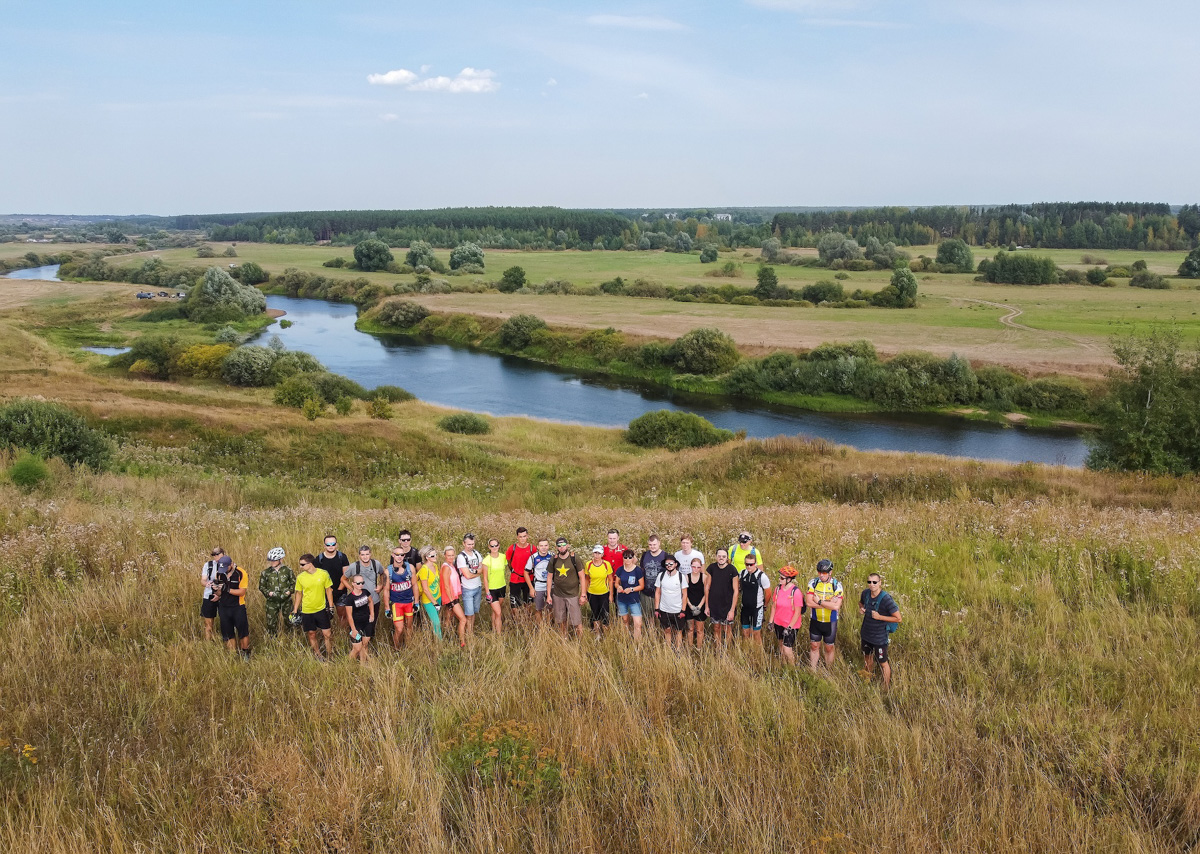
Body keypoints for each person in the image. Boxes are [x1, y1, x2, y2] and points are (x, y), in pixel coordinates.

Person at [859, 573, 901, 689]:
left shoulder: (886, 599)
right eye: (869, 582)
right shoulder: (865, 593)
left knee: (883, 662)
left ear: (880, 583)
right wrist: (861, 609)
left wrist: (879, 617)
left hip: (879, 638)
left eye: (874, 582)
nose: (872, 585)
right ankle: (867, 679)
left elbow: (898, 618)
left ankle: (885, 688)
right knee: (867, 657)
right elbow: (861, 602)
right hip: (866, 634)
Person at [292, 553, 335, 660]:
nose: (300, 567)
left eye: (302, 564)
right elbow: (298, 593)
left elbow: (328, 590)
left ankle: (330, 655)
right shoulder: (300, 577)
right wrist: (295, 609)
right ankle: (318, 655)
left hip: (321, 609)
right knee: (311, 634)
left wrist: (331, 607)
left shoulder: (323, 574)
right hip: (307, 610)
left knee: (327, 634)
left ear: (310, 564)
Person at [806, 559, 844, 670]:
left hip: (830, 621)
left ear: (830, 572)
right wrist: (829, 604)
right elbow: (809, 602)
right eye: (819, 572)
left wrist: (818, 602)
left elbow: (836, 607)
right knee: (814, 646)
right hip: (816, 620)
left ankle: (829, 671)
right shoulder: (813, 583)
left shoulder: (837, 585)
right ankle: (813, 671)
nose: (821, 575)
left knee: (829, 648)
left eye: (824, 573)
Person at [211, 554, 251, 659]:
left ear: (231, 564)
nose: (223, 570)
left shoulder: (241, 573)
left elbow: (242, 592)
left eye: (226, 568)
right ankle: (232, 655)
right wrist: (216, 590)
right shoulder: (219, 573)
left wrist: (227, 589)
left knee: (243, 631)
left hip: (238, 606)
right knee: (227, 633)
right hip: (224, 607)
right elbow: (219, 594)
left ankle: (245, 653)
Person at [547, 537, 585, 637]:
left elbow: (582, 576)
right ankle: (563, 639)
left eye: (563, 545)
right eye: (559, 546)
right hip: (558, 594)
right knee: (560, 620)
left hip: (572, 594)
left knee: (576, 621)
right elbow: (549, 577)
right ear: (556, 547)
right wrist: (548, 596)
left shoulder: (574, 558)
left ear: (567, 545)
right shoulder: (554, 559)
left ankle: (580, 641)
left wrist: (583, 594)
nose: (562, 548)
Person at [770, 565, 805, 665]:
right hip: (778, 622)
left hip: (791, 625)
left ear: (789, 579)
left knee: (787, 649)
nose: (779, 579)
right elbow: (774, 606)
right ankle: (784, 667)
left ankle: (792, 669)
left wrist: (789, 627)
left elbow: (798, 612)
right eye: (779, 577)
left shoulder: (796, 592)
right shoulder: (777, 589)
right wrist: (770, 621)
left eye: (782, 578)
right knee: (781, 646)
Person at [313, 535, 350, 629]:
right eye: (328, 544)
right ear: (324, 545)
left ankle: (342, 635)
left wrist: (338, 591)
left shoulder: (342, 557)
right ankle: (327, 635)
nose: (331, 546)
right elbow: (317, 578)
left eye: (333, 544)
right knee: (324, 617)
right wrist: (327, 592)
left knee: (342, 616)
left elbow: (346, 576)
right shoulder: (319, 559)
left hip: (341, 592)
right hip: (324, 593)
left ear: (336, 545)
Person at [383, 545, 416, 649]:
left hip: (409, 602)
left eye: (402, 555)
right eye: (397, 555)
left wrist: (417, 603)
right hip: (396, 604)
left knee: (409, 627)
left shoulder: (410, 568)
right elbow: (386, 590)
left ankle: (409, 648)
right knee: (399, 629)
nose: (399, 557)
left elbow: (414, 585)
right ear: (393, 555)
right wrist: (387, 608)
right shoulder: (388, 571)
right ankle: (396, 649)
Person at [258, 547, 295, 636]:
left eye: (274, 560)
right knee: (271, 623)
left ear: (280, 559)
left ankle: (291, 637)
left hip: (286, 600)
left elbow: (294, 583)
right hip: (272, 601)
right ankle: (273, 639)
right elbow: (262, 587)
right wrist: (268, 593)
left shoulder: (288, 570)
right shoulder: (265, 572)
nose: (272, 562)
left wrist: (289, 592)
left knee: (290, 621)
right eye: (271, 560)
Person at [705, 549, 739, 645]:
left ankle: (727, 650)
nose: (721, 558)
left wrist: (732, 610)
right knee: (716, 628)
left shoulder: (732, 570)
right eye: (719, 556)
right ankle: (718, 648)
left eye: (724, 556)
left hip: (727, 605)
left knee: (727, 629)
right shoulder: (711, 568)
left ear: (727, 558)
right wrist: (707, 606)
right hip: (714, 605)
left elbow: (736, 591)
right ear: (716, 557)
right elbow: (707, 587)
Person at [654, 555, 688, 650]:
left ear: (675, 564)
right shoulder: (661, 576)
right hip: (664, 609)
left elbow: (684, 594)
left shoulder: (681, 577)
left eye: (671, 563)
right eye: (666, 564)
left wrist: (683, 610)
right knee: (667, 629)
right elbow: (657, 592)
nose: (668, 565)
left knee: (678, 630)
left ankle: (678, 650)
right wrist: (657, 608)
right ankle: (668, 649)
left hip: (677, 610)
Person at [455, 534, 484, 640]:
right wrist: (477, 572)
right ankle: (469, 635)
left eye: (472, 544)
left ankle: (470, 632)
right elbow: (467, 575)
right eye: (468, 544)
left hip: (478, 587)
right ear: (463, 543)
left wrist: (474, 572)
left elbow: (482, 569)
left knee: (474, 612)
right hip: (467, 589)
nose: (470, 546)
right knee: (469, 614)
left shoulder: (477, 554)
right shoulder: (461, 557)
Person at [342, 574, 375, 663]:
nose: (360, 585)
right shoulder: (349, 598)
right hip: (356, 624)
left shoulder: (365, 592)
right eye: (358, 583)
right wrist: (353, 629)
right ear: (353, 583)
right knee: (357, 647)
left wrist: (372, 614)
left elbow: (370, 601)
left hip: (367, 622)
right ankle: (348, 664)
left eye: (362, 583)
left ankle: (363, 664)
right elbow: (349, 615)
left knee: (365, 644)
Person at [738, 553, 772, 640]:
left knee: (756, 634)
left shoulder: (762, 576)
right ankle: (747, 651)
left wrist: (765, 605)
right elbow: (738, 587)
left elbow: (768, 593)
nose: (749, 567)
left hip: (757, 608)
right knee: (745, 633)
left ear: (755, 563)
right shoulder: (742, 573)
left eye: (751, 564)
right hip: (745, 608)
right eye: (747, 564)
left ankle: (758, 652)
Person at [639, 535, 670, 626]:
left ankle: (661, 635)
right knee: (649, 616)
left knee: (661, 616)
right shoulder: (645, 555)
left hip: (661, 592)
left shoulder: (665, 556)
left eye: (654, 544)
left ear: (659, 543)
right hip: (646, 592)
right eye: (650, 545)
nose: (652, 546)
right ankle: (652, 635)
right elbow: (642, 570)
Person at [613, 549, 644, 640]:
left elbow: (641, 586)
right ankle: (626, 638)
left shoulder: (637, 570)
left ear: (633, 558)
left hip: (634, 600)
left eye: (630, 557)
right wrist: (618, 587)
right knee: (625, 620)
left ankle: (637, 641)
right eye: (625, 557)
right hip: (622, 600)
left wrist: (631, 589)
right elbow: (616, 583)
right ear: (623, 558)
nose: (627, 559)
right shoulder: (620, 570)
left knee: (638, 623)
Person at [505, 527, 536, 616]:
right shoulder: (512, 548)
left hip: (529, 579)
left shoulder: (532, 548)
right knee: (515, 606)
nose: (522, 539)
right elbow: (509, 562)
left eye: (524, 536)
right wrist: (514, 571)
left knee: (528, 604)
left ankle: (527, 623)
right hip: (515, 579)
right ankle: (517, 624)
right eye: (520, 537)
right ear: (517, 537)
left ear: (527, 536)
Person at [440, 546, 466, 646]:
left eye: (452, 555)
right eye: (448, 555)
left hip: (453, 596)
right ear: (444, 556)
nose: (451, 557)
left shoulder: (451, 565)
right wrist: (451, 601)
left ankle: (447, 638)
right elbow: (446, 586)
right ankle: (462, 641)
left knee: (448, 619)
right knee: (463, 619)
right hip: (450, 598)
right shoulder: (446, 567)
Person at [583, 545, 613, 634]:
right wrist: (584, 593)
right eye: (595, 553)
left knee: (605, 614)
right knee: (595, 613)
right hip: (592, 593)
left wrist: (611, 595)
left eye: (599, 553)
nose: (597, 555)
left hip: (604, 593)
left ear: (602, 554)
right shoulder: (588, 564)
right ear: (593, 553)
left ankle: (606, 635)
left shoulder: (606, 564)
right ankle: (597, 634)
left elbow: (610, 580)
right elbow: (587, 579)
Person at [416, 546, 444, 641]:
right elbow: (425, 589)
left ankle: (436, 638)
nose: (435, 557)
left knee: (437, 620)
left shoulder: (435, 566)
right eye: (432, 555)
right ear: (426, 557)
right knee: (436, 622)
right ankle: (439, 643)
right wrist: (435, 603)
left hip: (438, 596)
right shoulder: (424, 570)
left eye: (435, 554)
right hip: (429, 600)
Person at [482, 538, 508, 634]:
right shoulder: (486, 560)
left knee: (495, 611)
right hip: (492, 589)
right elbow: (484, 578)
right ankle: (499, 635)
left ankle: (493, 628)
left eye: (496, 545)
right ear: (489, 547)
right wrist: (487, 592)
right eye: (492, 546)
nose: (494, 547)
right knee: (498, 612)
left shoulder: (503, 557)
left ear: (499, 545)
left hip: (502, 587)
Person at [526, 539, 554, 626]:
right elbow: (526, 572)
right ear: (537, 547)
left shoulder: (553, 556)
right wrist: (531, 588)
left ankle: (549, 627)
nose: (544, 548)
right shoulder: (533, 557)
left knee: (551, 608)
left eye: (545, 545)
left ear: (548, 546)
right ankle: (540, 628)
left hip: (552, 585)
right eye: (541, 546)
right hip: (539, 585)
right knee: (539, 609)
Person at [200, 547, 225, 641]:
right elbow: (203, 580)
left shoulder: (228, 564)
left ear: (223, 554)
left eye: (218, 554)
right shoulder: (208, 565)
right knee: (208, 624)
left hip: (223, 595)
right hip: (209, 595)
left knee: (226, 622)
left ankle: (226, 641)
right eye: (214, 555)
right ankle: (208, 643)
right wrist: (207, 584)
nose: (216, 557)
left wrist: (219, 595)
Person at [684, 556, 708, 648]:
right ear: (691, 566)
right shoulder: (687, 577)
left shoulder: (704, 577)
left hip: (700, 606)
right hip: (689, 605)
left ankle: (699, 648)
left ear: (701, 567)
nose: (696, 569)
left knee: (699, 630)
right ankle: (690, 647)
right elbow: (684, 594)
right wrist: (690, 606)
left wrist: (699, 606)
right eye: (694, 567)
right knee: (690, 629)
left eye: (698, 567)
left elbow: (706, 594)